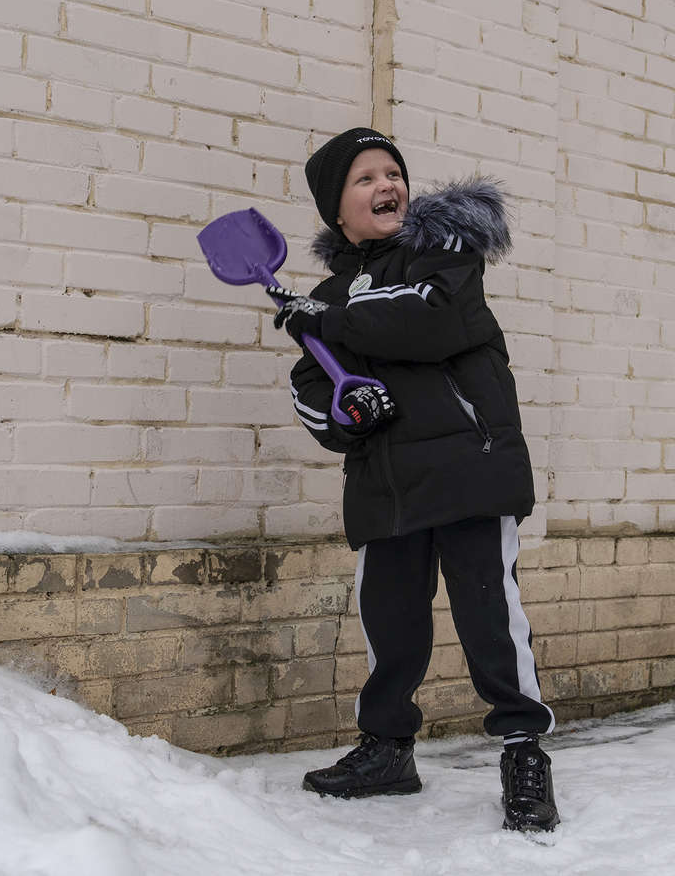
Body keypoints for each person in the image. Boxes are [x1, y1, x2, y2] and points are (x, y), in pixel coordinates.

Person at [267, 127, 560, 833]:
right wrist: (350, 406)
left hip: (469, 466)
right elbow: (312, 391)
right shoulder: (327, 295)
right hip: (385, 483)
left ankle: (524, 752)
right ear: (337, 210)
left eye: (392, 171)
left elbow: (429, 321)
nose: (386, 185)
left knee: (490, 618)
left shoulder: (444, 250)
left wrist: (331, 319)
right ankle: (387, 748)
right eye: (364, 178)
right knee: (390, 627)